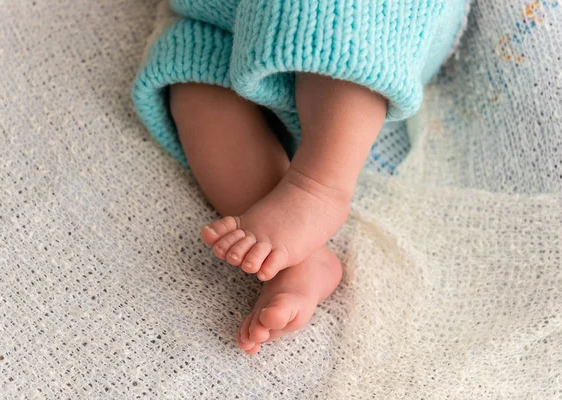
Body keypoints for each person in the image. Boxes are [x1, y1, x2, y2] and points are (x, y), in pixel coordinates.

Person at [133, 0, 469, 354]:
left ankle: (319, 184)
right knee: (191, 75)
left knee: (343, 21)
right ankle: (296, 256)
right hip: (227, 15)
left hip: (376, 24)